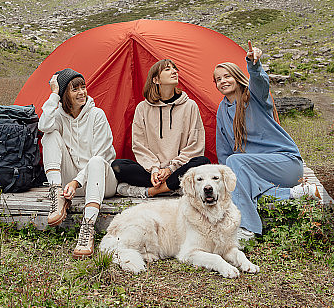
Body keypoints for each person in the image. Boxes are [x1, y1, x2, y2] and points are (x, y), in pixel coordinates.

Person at [214, 41, 318, 247]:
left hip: (285, 164)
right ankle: (296, 193)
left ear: (237, 77)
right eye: (217, 79)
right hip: (255, 172)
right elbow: (223, 150)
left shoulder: (254, 98)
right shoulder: (222, 110)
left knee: (237, 162)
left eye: (227, 76)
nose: (222, 81)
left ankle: (247, 228)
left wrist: (254, 65)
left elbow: (261, 83)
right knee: (235, 177)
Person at [39, 68, 117, 258]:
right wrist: (54, 95)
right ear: (65, 93)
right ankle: (56, 194)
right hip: (69, 185)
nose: (82, 92)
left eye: (83, 87)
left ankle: (87, 228)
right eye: (75, 89)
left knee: (97, 160)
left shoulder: (97, 115)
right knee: (50, 136)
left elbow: (102, 156)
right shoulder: (59, 116)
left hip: (101, 182)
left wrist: (75, 182)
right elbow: (43, 125)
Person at [112, 59, 210, 198]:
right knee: (118, 166)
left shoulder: (190, 106)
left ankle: (153, 191)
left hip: (178, 169)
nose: (174, 71)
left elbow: (195, 146)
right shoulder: (142, 108)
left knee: (202, 162)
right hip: (152, 171)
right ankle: (172, 187)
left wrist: (170, 169)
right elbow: (139, 145)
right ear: (156, 79)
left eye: (175, 68)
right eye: (168, 69)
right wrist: (155, 169)